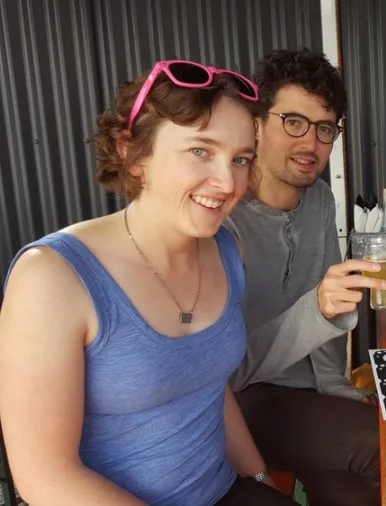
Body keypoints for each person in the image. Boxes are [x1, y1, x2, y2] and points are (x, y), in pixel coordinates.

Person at [0, 61, 298, 505]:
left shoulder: (224, 251)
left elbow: (211, 386)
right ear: (132, 153)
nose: (227, 181)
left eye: (240, 159)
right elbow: (45, 477)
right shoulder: (52, 277)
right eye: (200, 150)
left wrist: (259, 481)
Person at [225, 48, 380, 506]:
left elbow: (331, 312)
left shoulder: (320, 201)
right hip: (244, 400)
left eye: (325, 129)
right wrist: (316, 308)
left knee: (358, 495)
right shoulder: (222, 219)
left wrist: (335, 388)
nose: (310, 144)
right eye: (293, 122)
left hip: (310, 395)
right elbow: (230, 373)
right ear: (256, 122)